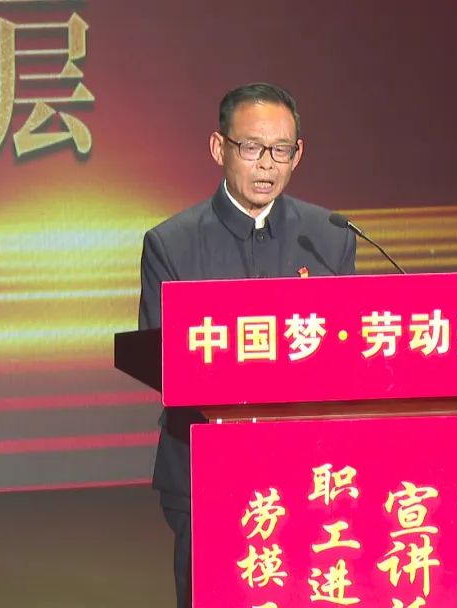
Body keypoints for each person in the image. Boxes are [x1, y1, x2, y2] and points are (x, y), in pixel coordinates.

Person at [137, 82, 357, 608]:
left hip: (310, 471)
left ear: (297, 155)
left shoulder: (329, 236)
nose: (267, 165)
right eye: (252, 147)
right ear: (220, 148)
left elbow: (346, 349)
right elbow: (161, 358)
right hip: (204, 470)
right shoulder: (172, 243)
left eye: (281, 150)